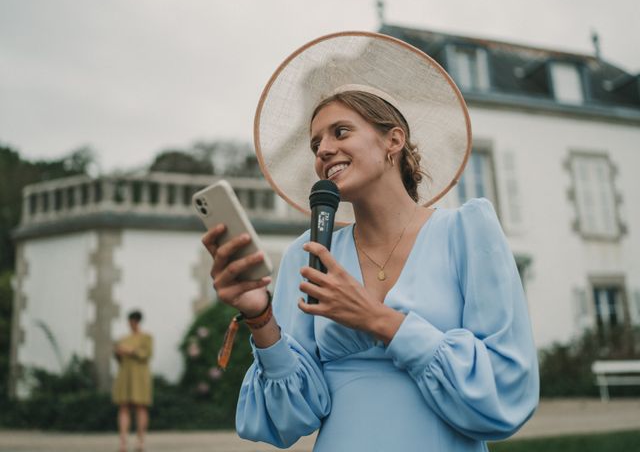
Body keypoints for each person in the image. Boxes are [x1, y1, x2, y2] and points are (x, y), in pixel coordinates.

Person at [202, 32, 539, 451]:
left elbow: (507, 390)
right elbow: (292, 418)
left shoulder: (468, 232)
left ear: (393, 141)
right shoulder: (308, 255)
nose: (324, 149)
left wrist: (377, 320)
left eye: (340, 132)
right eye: (315, 143)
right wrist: (260, 319)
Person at [112, 310, 153, 452]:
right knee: (123, 407)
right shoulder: (123, 338)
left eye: (134, 321)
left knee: (140, 407)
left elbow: (146, 354)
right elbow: (118, 358)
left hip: (140, 376)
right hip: (125, 375)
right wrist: (118, 352)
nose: (132, 324)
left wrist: (130, 350)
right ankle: (123, 442)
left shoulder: (146, 337)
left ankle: (140, 441)